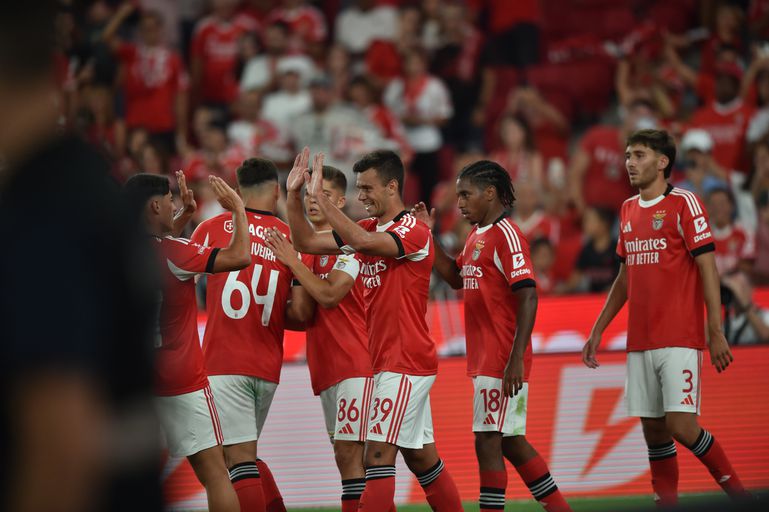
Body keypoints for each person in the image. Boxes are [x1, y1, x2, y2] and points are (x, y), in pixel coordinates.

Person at [284, 148, 462, 511]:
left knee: (376, 456)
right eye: (359, 188)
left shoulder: (411, 230)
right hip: (385, 362)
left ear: (392, 186)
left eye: (367, 188)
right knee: (422, 459)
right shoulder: (366, 227)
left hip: (405, 361)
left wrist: (321, 199)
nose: (361, 195)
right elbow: (305, 241)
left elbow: (364, 245)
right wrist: (293, 195)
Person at [582, 129, 748, 506]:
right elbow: (624, 278)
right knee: (654, 432)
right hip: (640, 339)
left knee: (681, 426)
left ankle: (742, 498)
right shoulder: (627, 209)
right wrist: (598, 329)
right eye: (628, 155)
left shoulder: (685, 203)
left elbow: (708, 267)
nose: (630, 162)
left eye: (639, 155)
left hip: (678, 335)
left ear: (662, 162)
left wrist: (714, 329)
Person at [414, 160, 572, 512]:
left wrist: (515, 358)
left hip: (501, 356)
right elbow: (455, 278)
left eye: (465, 195)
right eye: (458, 196)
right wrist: (428, 235)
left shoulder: (507, 236)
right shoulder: (476, 235)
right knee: (511, 441)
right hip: (486, 355)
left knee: (487, 439)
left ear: (490, 193)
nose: (459, 203)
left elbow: (528, 295)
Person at [124, 172, 251, 512]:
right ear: (155, 205)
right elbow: (240, 256)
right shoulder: (174, 251)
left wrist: (182, 217)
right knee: (215, 475)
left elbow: (160, 255)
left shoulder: (117, 251)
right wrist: (238, 209)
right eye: (170, 201)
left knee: (127, 481)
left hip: (134, 380)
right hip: (181, 382)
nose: (173, 206)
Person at [189, 158, 310, 512]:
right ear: (276, 191)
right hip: (268, 365)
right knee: (243, 456)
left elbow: (181, 283)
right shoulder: (291, 238)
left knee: (235, 460)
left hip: (224, 362)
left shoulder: (211, 229)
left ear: (237, 192)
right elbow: (302, 314)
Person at [264, 165, 374, 512]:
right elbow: (303, 314)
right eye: (309, 195)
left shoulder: (351, 243)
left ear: (340, 201)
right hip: (326, 368)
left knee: (350, 454)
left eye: (323, 195)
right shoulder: (307, 249)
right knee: (349, 460)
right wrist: (259, 314)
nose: (314, 201)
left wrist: (292, 262)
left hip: (357, 364)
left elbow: (329, 295)